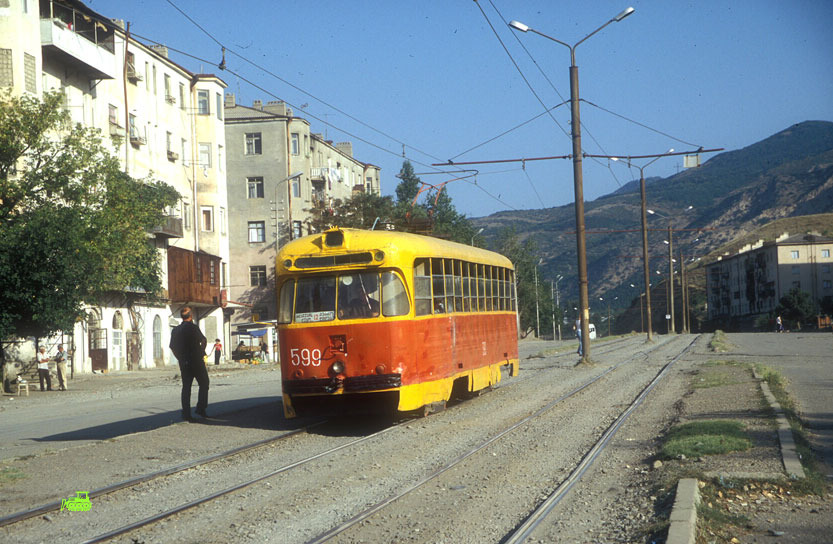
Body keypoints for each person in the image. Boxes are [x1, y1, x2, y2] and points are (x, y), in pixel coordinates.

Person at [169, 307, 208, 422]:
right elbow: (204, 340)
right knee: (204, 383)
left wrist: (180, 358)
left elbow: (172, 347)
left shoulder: (175, 330)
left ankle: (186, 414)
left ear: (182, 317)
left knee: (186, 387)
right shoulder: (193, 328)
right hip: (196, 361)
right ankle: (200, 408)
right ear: (191, 316)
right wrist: (201, 352)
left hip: (184, 362)